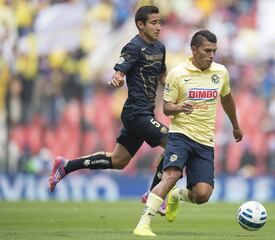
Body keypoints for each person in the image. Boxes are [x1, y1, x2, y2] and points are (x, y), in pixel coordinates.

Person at [48, 5, 168, 214]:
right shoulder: (133, 47)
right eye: (154, 22)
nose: (158, 27)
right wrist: (118, 78)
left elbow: (163, 77)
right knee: (174, 141)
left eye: (160, 22)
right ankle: (154, 194)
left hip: (146, 113)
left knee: (118, 161)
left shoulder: (160, 48)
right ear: (140, 25)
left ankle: (66, 166)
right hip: (135, 112)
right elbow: (120, 72)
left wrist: (180, 89)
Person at [133, 30, 243, 236]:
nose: (211, 55)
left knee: (202, 195)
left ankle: (177, 195)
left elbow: (227, 99)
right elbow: (166, 108)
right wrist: (180, 107)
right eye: (207, 51)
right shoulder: (177, 74)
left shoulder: (221, 73)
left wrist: (235, 125)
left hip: (205, 141)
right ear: (194, 49)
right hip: (180, 135)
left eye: (214, 51)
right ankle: (143, 224)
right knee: (171, 175)